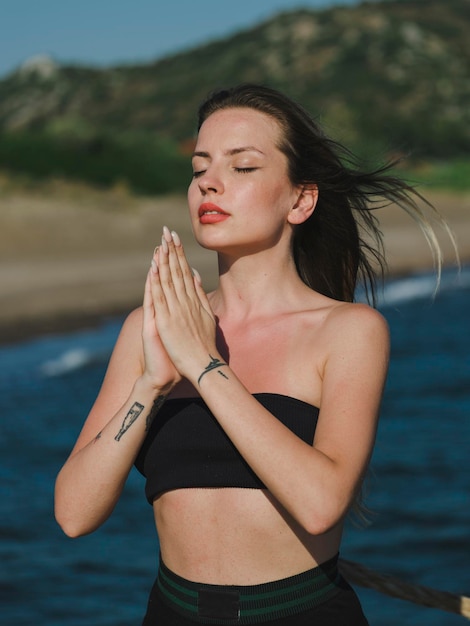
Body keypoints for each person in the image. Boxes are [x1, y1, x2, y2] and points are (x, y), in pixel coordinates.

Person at [55, 84, 448, 625]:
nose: (209, 183)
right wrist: (149, 385)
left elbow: (320, 504)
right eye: (200, 169)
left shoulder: (349, 331)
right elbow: (74, 514)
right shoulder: (150, 328)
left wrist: (204, 366)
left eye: (242, 167)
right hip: (171, 612)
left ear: (300, 199)